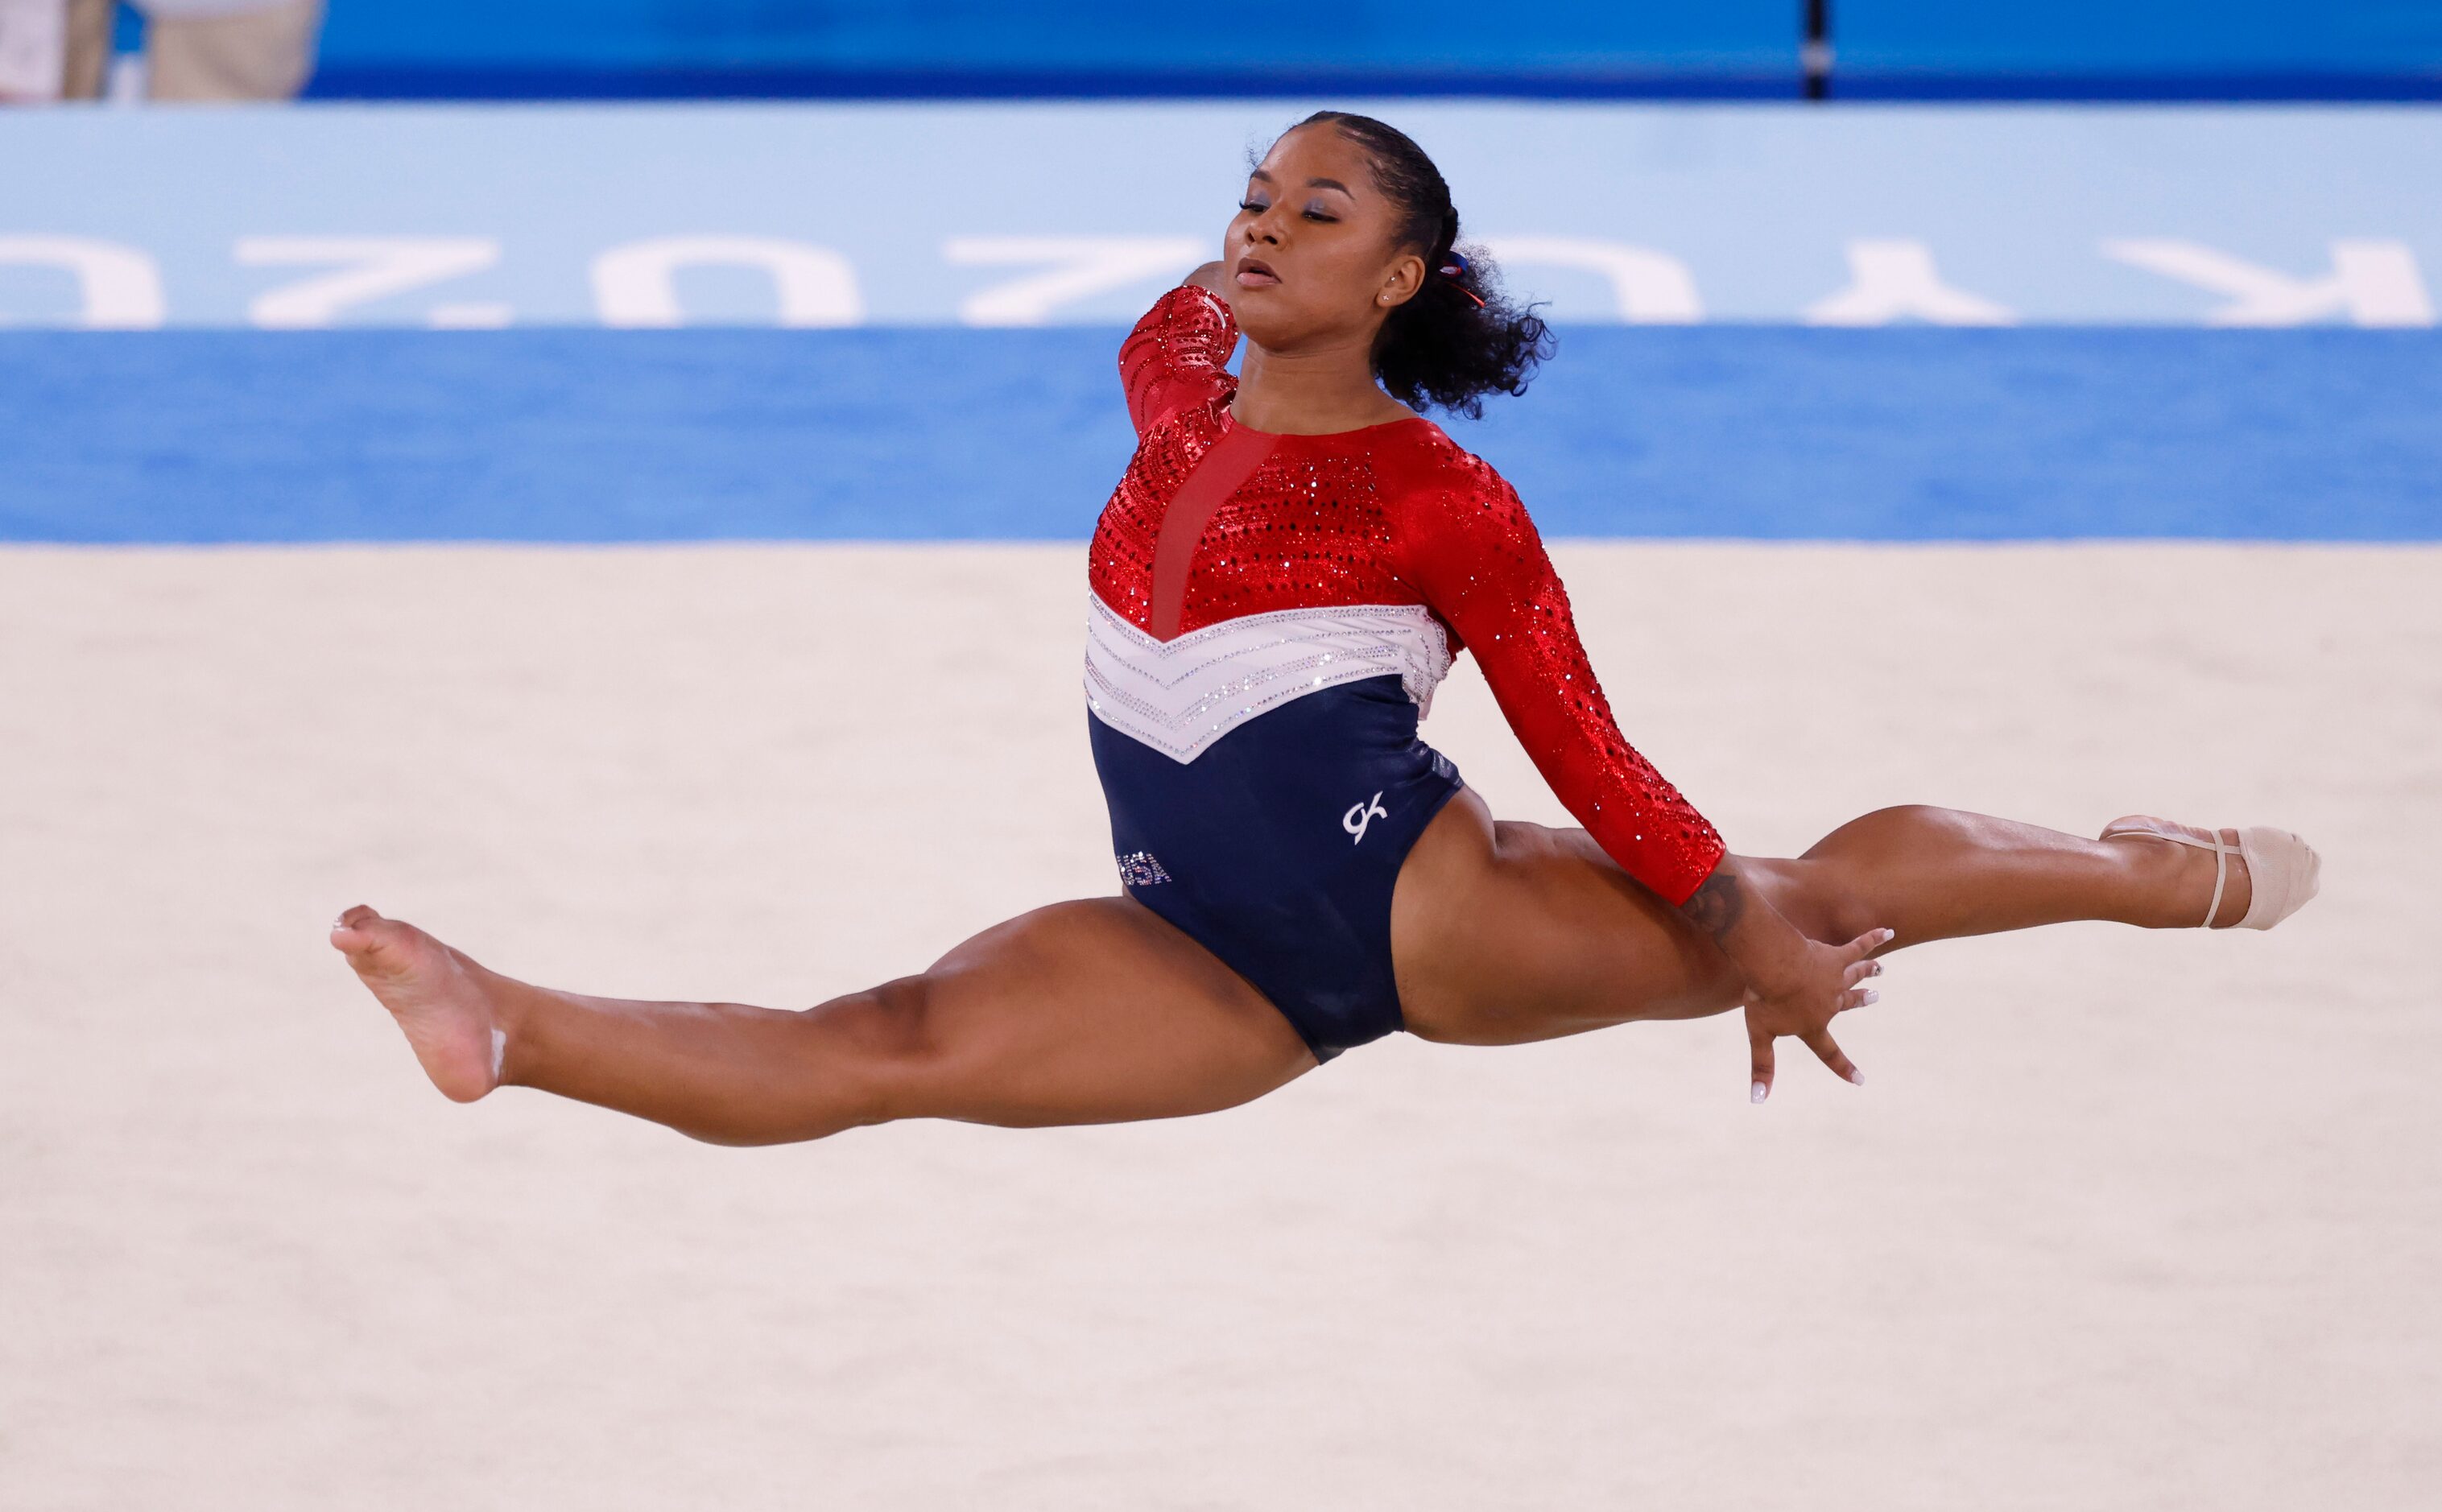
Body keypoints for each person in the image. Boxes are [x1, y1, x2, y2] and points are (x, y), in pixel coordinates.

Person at [330, 111, 2319, 1139]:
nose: (1263, 222)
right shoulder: (1165, 366)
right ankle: (511, 1027)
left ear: (1404, 274)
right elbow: (1202, 303)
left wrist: (1736, 957)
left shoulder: (1441, 500)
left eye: (1320, 206)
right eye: (1255, 193)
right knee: (890, 1048)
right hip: (1205, 956)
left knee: (1791, 895)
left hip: (1415, 914)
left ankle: (2146, 871)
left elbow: (1590, 756)